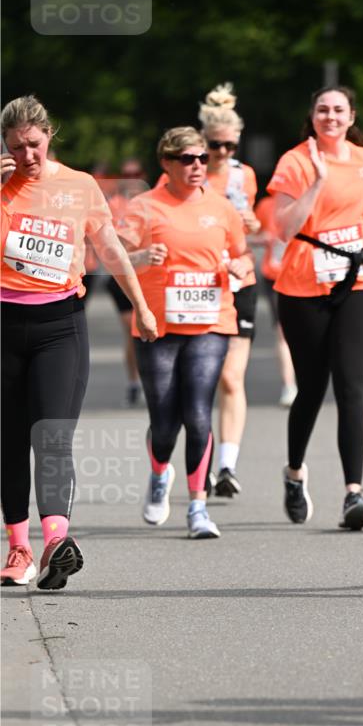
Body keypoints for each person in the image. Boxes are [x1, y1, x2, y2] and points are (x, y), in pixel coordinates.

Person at [1, 95, 157, 589]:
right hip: (4, 324)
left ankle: (54, 543)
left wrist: (142, 306)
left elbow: (109, 248)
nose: (27, 155)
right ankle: (18, 549)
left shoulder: (79, 186)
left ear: (50, 136)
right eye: (16, 147)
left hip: (61, 326)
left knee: (52, 436)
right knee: (8, 441)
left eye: (34, 144)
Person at [268, 85, 363, 528]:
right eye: (323, 109)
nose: (331, 116)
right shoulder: (296, 161)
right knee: (312, 388)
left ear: (351, 115)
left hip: (359, 282)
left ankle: (353, 494)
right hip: (303, 286)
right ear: (313, 115)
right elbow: (283, 228)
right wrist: (317, 181)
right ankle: (295, 472)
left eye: (339, 109)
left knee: (351, 387)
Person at [118, 126, 251, 539]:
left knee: (197, 414)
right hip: (157, 324)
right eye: (187, 159)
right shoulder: (144, 206)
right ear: (167, 163)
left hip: (211, 322)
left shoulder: (222, 207)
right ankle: (160, 472)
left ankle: (198, 507)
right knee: (163, 422)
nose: (197, 166)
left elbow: (243, 256)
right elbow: (114, 258)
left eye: (201, 158)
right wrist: (141, 255)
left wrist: (238, 269)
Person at [198, 84, 260, 499]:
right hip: (196, 284)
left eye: (229, 145)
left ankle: (227, 466)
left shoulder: (245, 175)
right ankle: (194, 463)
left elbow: (251, 227)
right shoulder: (190, 171)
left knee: (231, 377)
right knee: (200, 378)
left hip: (239, 282)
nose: (222, 153)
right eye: (214, 145)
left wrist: (251, 223)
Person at [106, 158, 149, 407]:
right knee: (132, 330)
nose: (132, 177)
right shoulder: (114, 204)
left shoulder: (151, 202)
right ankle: (134, 381)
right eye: (126, 173)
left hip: (148, 276)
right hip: (121, 276)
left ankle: (153, 378)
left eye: (137, 172)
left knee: (149, 331)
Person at [254, 193, 297, 407]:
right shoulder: (266, 205)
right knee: (283, 332)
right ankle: (289, 386)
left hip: (305, 276)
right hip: (275, 277)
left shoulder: (313, 198)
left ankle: (307, 381)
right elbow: (250, 234)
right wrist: (264, 237)